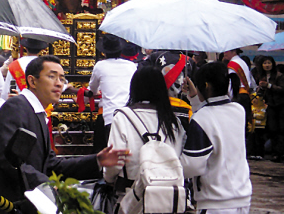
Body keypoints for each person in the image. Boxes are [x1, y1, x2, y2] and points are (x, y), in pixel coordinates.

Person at [0, 55, 129, 214]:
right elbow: (8, 161)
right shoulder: (16, 107)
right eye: (51, 77)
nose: (58, 83)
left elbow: (51, 165)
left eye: (62, 79)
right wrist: (47, 184)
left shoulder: (38, 114)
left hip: (33, 204)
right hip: (11, 204)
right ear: (32, 81)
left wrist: (97, 161)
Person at [104, 66, 185, 202]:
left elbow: (115, 162)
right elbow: (179, 156)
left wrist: (108, 179)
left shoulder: (123, 117)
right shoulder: (173, 121)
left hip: (131, 195)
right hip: (167, 198)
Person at [180, 62, 252, 214]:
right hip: (242, 197)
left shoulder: (201, 119)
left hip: (216, 202)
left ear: (205, 85)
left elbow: (193, 165)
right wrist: (194, 97)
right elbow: (214, 117)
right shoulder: (238, 110)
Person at [89, 34, 137, 141]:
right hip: (129, 115)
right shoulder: (131, 66)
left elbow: (92, 90)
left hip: (110, 115)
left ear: (104, 52)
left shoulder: (100, 66)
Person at [257, 55, 284, 162]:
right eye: (265, 63)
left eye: (269, 63)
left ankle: (280, 153)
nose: (267, 65)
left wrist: (269, 86)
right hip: (270, 105)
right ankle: (275, 152)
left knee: (280, 129)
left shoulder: (279, 76)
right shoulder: (262, 76)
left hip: (280, 105)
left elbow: (282, 89)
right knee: (272, 129)